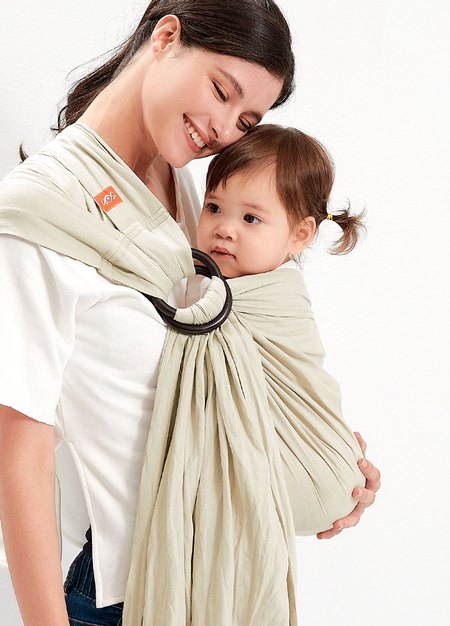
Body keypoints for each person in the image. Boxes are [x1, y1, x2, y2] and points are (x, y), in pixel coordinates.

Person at [0, 2, 380, 625]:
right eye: (221, 91)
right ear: (166, 35)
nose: (224, 129)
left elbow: (229, 384)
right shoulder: (39, 219)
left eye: (247, 120)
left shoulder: (186, 195)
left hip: (215, 581)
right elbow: (20, 454)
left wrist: (324, 463)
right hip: (130, 593)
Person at [122, 125, 369, 625]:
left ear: (299, 235)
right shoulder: (202, 286)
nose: (224, 229)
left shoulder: (272, 299)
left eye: (251, 218)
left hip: (322, 468)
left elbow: (300, 384)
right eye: (214, 207)